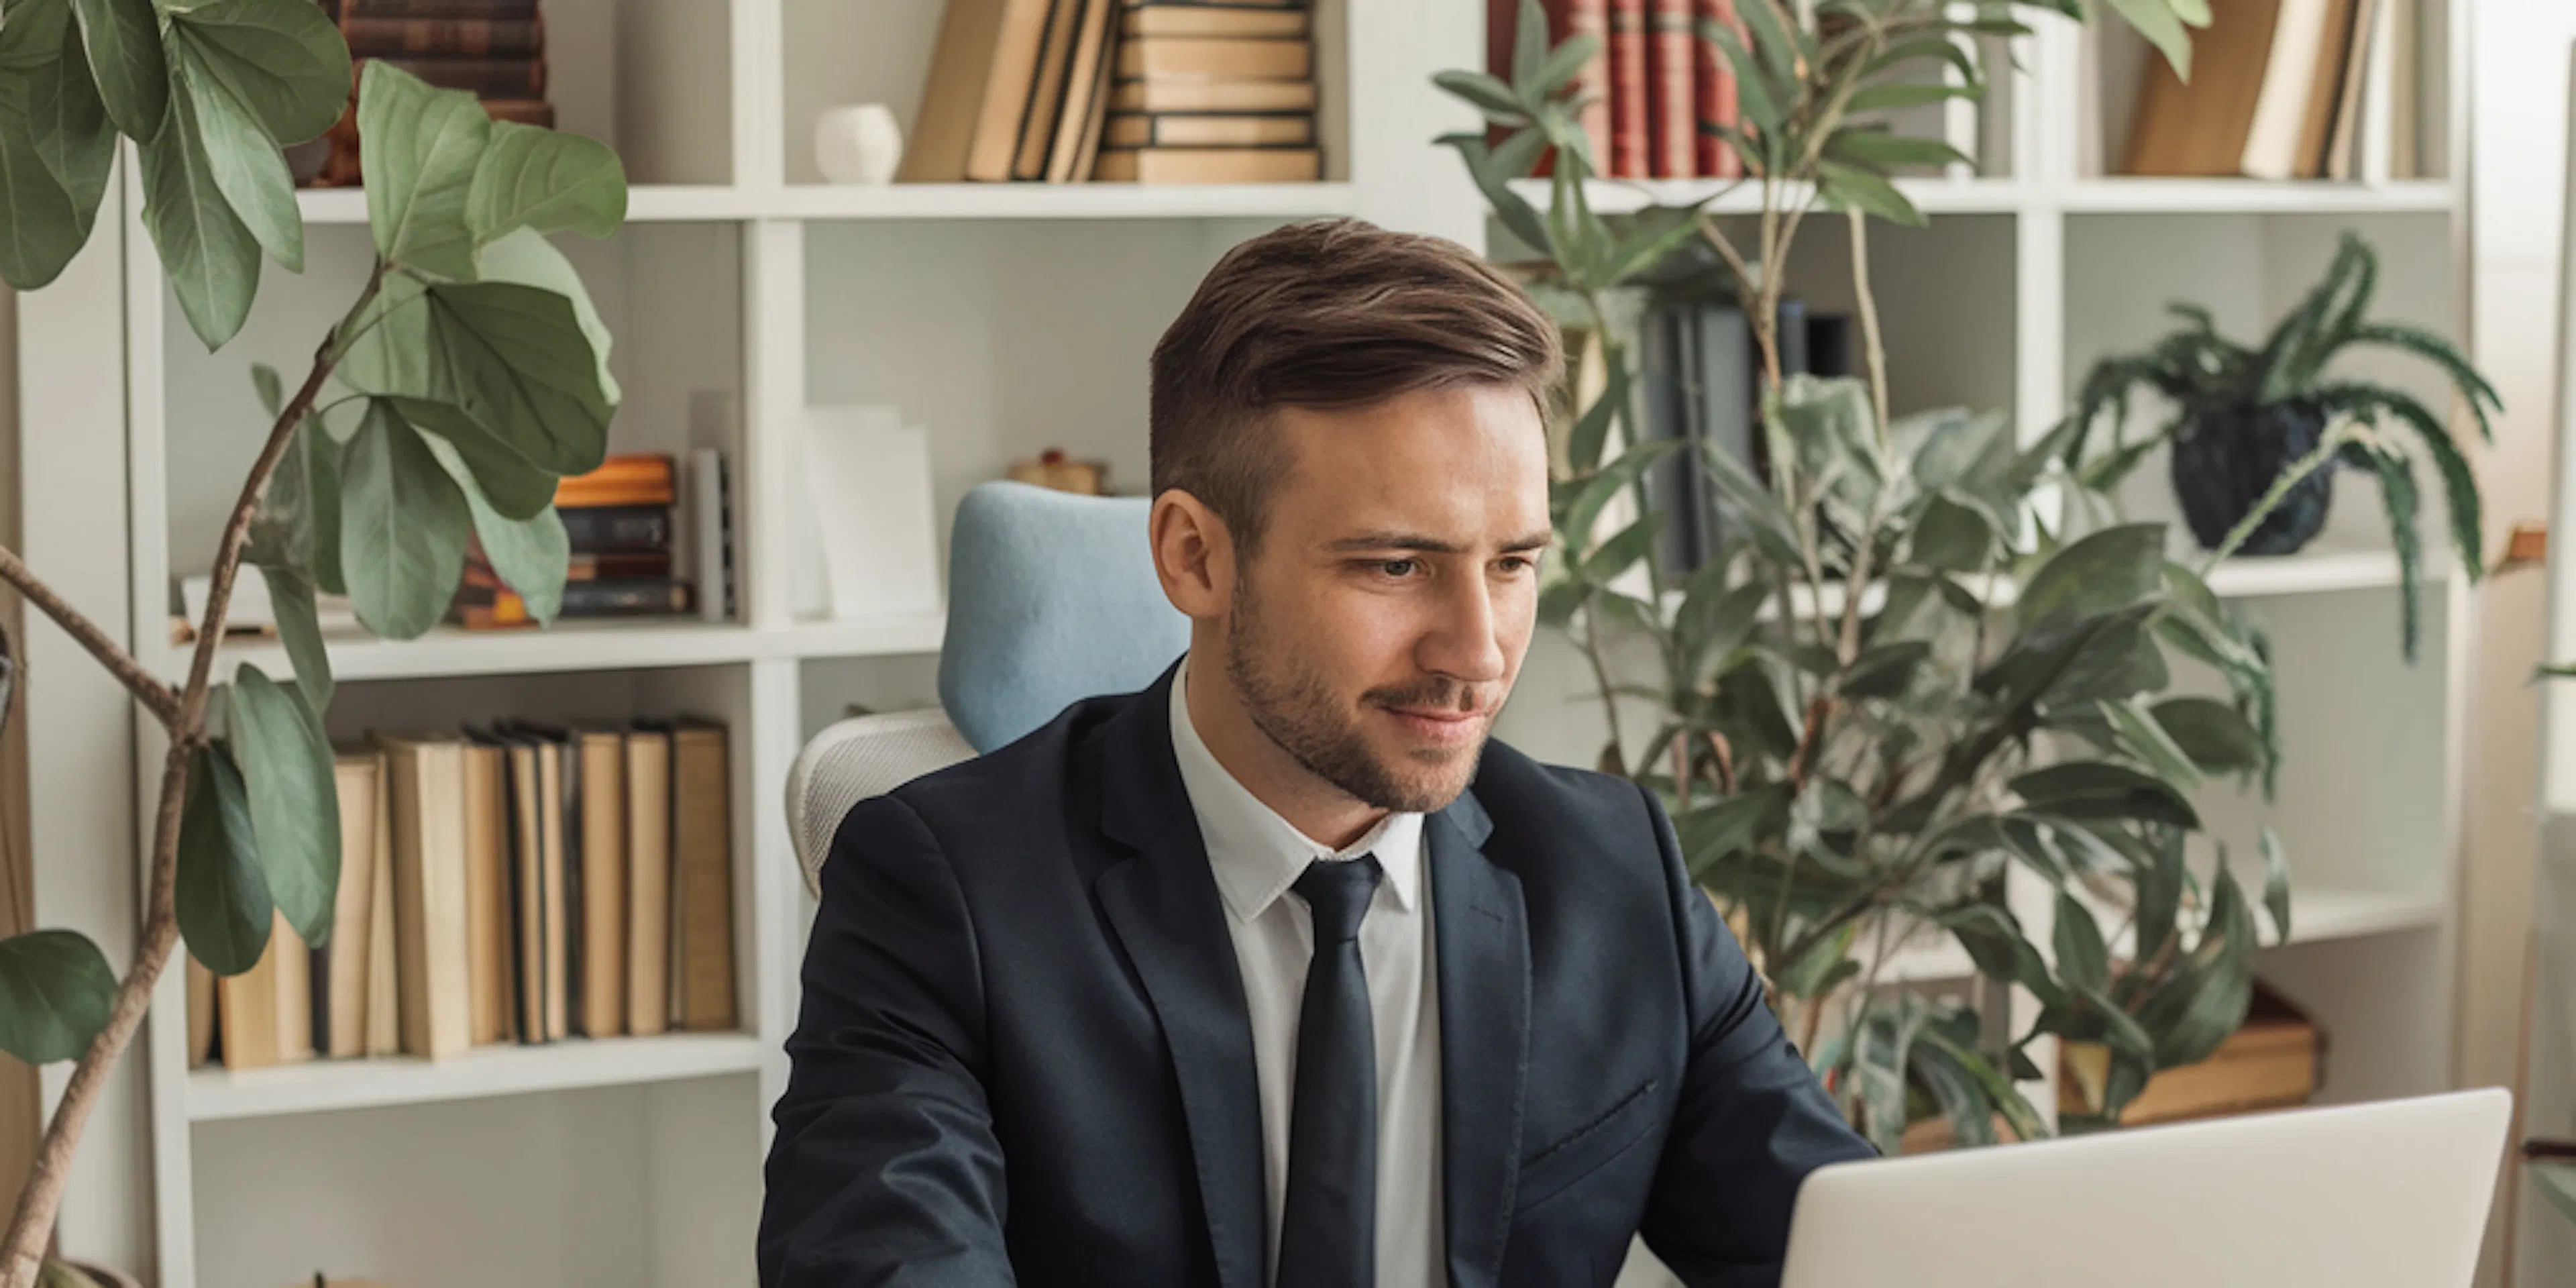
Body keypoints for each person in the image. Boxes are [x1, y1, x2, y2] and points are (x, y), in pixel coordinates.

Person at [757, 217, 1875, 1288]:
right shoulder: (943, 891)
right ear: (1195, 557)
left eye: (1513, 564)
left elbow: (1858, 1254)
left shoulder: (1613, 871)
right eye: (1396, 566)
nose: (1477, 654)